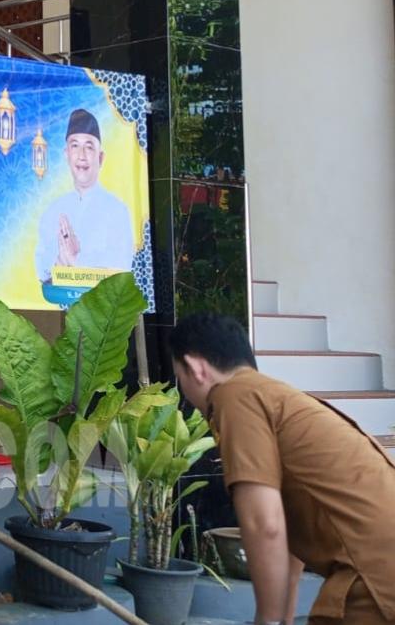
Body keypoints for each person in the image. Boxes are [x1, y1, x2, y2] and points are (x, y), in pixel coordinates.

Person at [171, 314, 395, 624]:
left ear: (195, 367)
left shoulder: (235, 396)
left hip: (374, 579)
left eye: (179, 378)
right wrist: (282, 618)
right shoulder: (274, 396)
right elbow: (288, 534)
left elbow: (263, 522)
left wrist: (269, 620)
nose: (184, 392)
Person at [34, 108, 134, 282]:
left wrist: (76, 259)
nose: (81, 156)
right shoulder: (53, 211)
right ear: (66, 154)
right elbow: (41, 267)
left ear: (100, 158)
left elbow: (121, 268)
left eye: (89, 147)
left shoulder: (117, 210)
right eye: (75, 146)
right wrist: (60, 261)